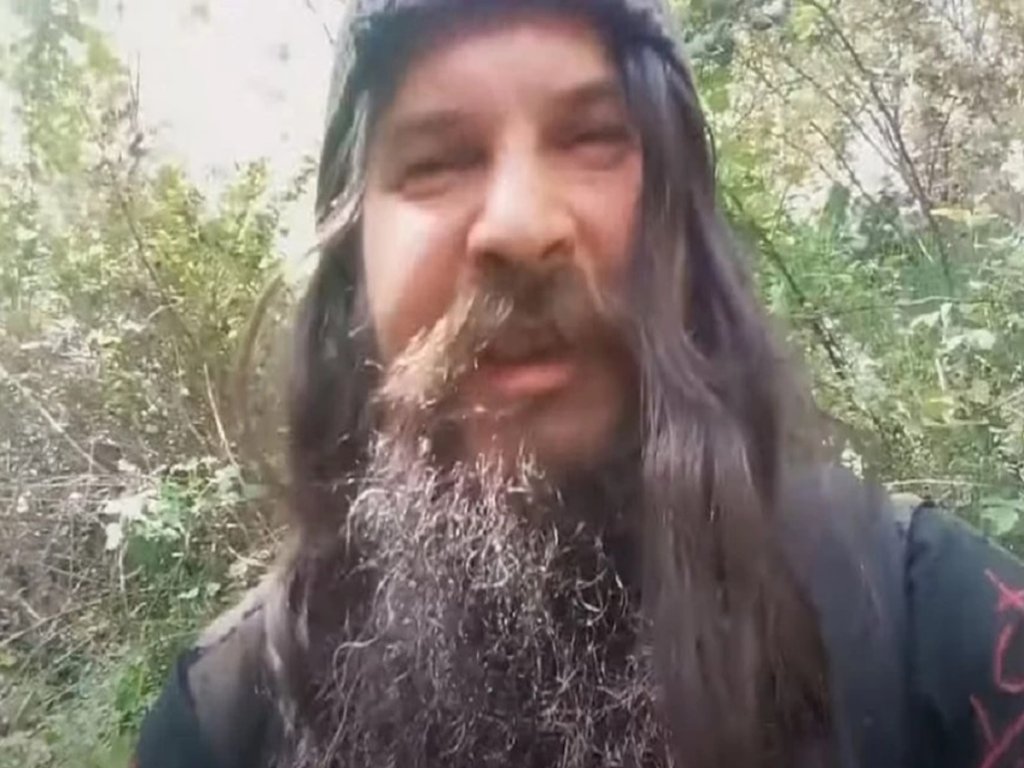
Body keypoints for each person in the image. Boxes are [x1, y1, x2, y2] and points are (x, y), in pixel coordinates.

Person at [132, 1, 1024, 766]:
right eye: (436, 160)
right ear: (352, 260)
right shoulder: (224, 727)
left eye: (594, 138)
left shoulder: (935, 635)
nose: (521, 228)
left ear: (684, 220)